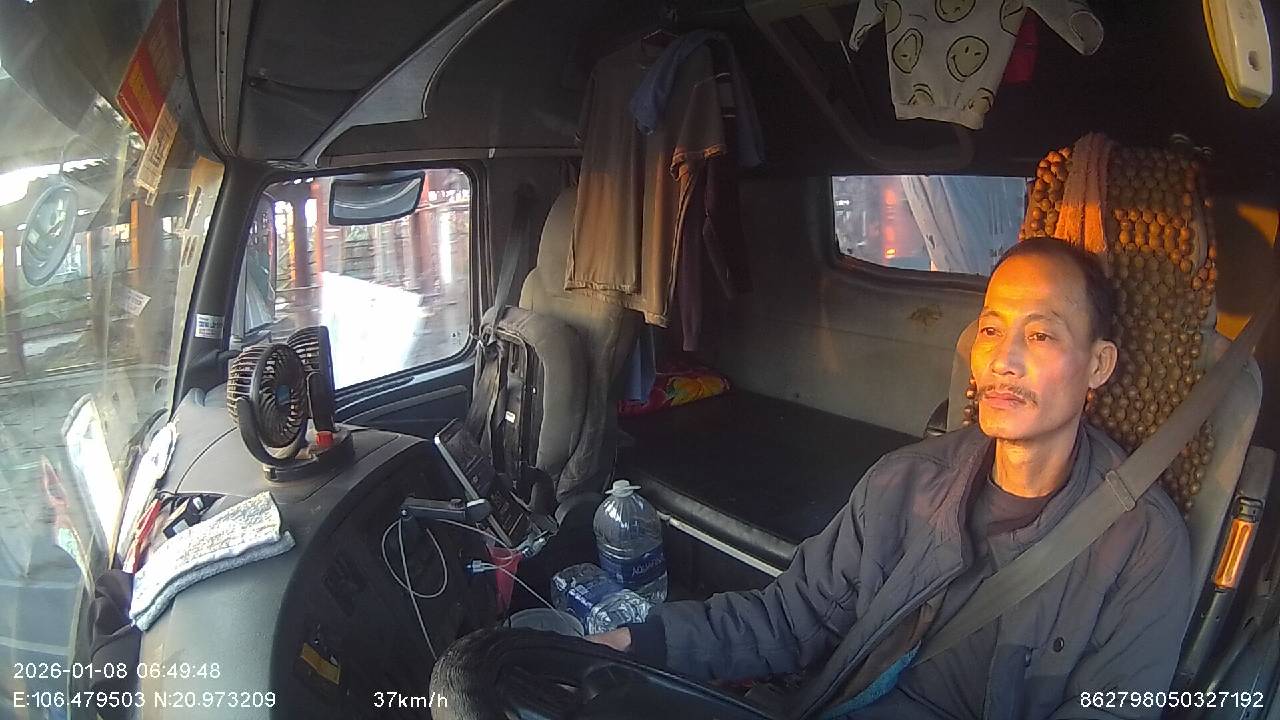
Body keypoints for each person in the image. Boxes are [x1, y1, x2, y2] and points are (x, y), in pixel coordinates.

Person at [588, 237, 1192, 719]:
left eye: (1040, 335)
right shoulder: (905, 483)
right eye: (991, 329)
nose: (1004, 360)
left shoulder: (1141, 544)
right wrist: (638, 643)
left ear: (1099, 365)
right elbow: (790, 618)